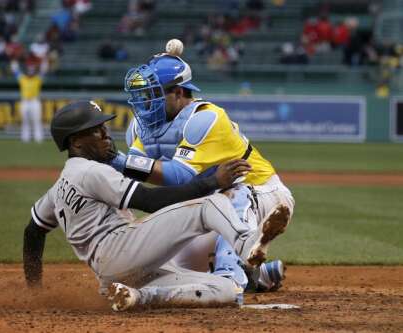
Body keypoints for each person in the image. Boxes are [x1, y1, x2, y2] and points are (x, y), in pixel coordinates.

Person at [23, 100, 288, 311]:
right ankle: (248, 244)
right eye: (96, 130)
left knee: (229, 292)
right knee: (211, 203)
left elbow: (33, 231)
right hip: (121, 248)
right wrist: (211, 182)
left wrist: (34, 291)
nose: (106, 134)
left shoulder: (59, 186)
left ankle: (138, 297)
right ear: (76, 142)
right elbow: (150, 201)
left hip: (114, 274)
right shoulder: (90, 171)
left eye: (104, 127)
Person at [110, 50, 294, 292]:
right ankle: (258, 276)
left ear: (178, 93)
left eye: (153, 94)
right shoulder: (143, 125)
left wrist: (114, 159)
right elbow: (135, 167)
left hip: (262, 193)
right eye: (144, 94)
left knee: (233, 195)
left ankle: (232, 279)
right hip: (209, 207)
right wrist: (113, 162)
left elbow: (177, 175)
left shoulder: (205, 118)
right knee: (168, 270)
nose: (145, 102)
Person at [11, 60, 48, 143]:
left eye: (32, 71)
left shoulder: (37, 79)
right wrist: (14, 63)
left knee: (37, 120)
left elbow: (43, 71)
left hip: (34, 101)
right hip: (25, 101)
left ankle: (38, 138)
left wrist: (44, 62)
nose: (30, 72)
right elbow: (15, 71)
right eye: (29, 71)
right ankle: (25, 138)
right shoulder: (22, 78)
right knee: (25, 121)